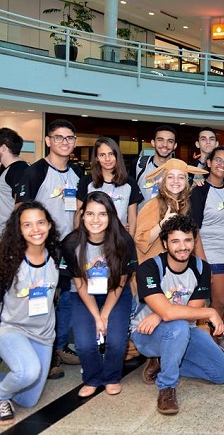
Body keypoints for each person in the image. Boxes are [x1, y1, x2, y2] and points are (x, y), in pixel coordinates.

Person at [131, 215, 224, 415]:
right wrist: (209, 311)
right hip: (146, 334)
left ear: (194, 241)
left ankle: (165, 363)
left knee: (221, 373)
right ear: (165, 244)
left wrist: (161, 314)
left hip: (183, 329)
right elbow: (177, 314)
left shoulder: (202, 268)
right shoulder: (149, 268)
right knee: (178, 326)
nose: (182, 247)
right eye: (175, 241)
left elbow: (191, 313)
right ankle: (167, 388)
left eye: (187, 240)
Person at [17, 119, 83, 378]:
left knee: (66, 298)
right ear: (48, 141)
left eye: (69, 138)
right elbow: (19, 211)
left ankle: (59, 347)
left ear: (74, 142)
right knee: (41, 299)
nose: (64, 142)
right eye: (59, 137)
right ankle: (39, 351)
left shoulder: (78, 173)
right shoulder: (35, 172)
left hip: (70, 247)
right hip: (41, 248)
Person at [62, 192, 136, 397]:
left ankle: (112, 376)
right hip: (84, 295)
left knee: (116, 341)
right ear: (82, 216)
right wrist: (96, 316)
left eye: (102, 214)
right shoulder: (71, 244)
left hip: (116, 293)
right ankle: (92, 378)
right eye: (90, 214)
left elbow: (121, 283)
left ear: (111, 216)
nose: (96, 220)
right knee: (85, 343)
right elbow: (79, 284)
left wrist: (105, 315)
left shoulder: (123, 241)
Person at [0, 202, 60, 425]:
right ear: (19, 229)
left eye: (40, 223)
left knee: (28, 400)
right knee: (27, 372)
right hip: (11, 328)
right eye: (28, 225)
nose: (36, 229)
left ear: (50, 225)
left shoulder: (57, 256)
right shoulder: (9, 260)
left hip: (43, 334)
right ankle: (1, 396)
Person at [189, 147, 224, 355]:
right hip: (212, 253)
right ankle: (214, 341)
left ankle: (217, 336)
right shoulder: (199, 190)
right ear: (210, 162)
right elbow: (193, 228)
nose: (223, 165)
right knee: (219, 302)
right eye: (219, 161)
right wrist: (203, 261)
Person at [134, 159, 208, 264]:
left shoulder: (184, 205)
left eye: (181, 177)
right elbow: (140, 241)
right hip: (153, 270)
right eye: (170, 177)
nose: (176, 181)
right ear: (164, 180)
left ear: (186, 182)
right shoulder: (153, 205)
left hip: (175, 270)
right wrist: (162, 224)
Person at [76, 137, 142, 237]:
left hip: (119, 240)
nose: (107, 159)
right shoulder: (86, 182)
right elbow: (79, 214)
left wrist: (130, 242)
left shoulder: (130, 183)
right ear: (96, 158)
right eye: (102, 155)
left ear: (117, 155)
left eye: (111, 154)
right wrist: (79, 240)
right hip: (91, 239)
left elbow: (132, 218)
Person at [130, 125, 177, 210]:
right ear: (153, 143)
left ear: (175, 145)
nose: (165, 145)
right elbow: (129, 194)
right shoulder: (139, 164)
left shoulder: (178, 169)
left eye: (170, 141)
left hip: (168, 221)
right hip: (141, 220)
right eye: (160, 140)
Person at [0, 128, 28, 235]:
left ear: (3, 148)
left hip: (9, 235)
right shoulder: (7, 169)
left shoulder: (18, 170)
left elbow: (22, 204)